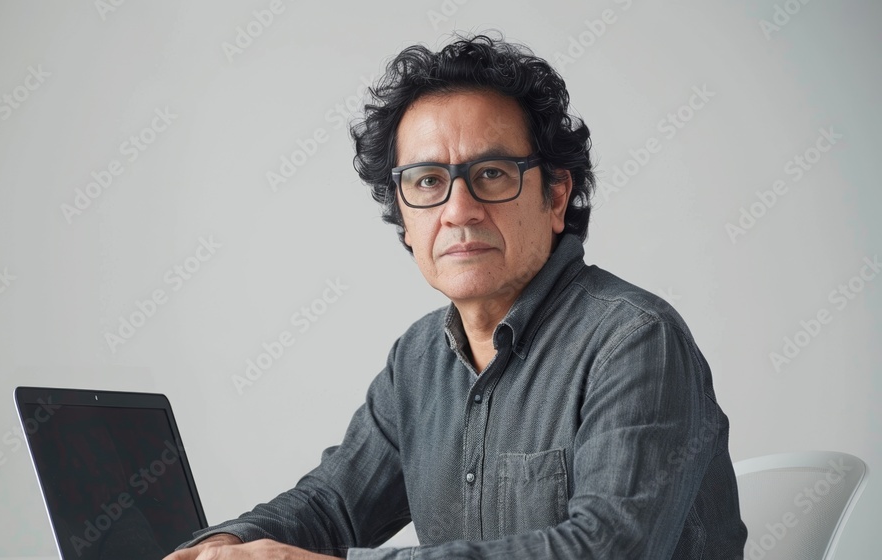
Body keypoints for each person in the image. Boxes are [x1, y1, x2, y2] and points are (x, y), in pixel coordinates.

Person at [165, 33, 748, 559]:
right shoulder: (417, 360)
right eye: (427, 182)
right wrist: (222, 546)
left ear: (555, 197)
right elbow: (331, 506)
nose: (458, 211)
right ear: (404, 218)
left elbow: (607, 550)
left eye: (492, 174)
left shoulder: (635, 341)